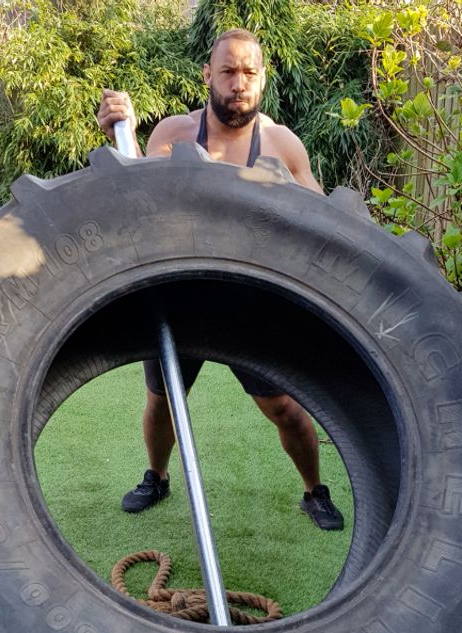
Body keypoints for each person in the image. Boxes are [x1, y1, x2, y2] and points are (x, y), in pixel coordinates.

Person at [95, 28, 344, 531]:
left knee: (287, 409)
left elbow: (323, 221)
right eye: (228, 71)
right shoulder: (173, 135)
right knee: (163, 401)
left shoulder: (280, 144)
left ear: (263, 79)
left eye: (249, 72)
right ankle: (158, 476)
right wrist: (117, 139)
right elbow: (136, 202)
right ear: (208, 75)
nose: (239, 83)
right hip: (180, 300)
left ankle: (314, 490)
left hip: (249, 306)